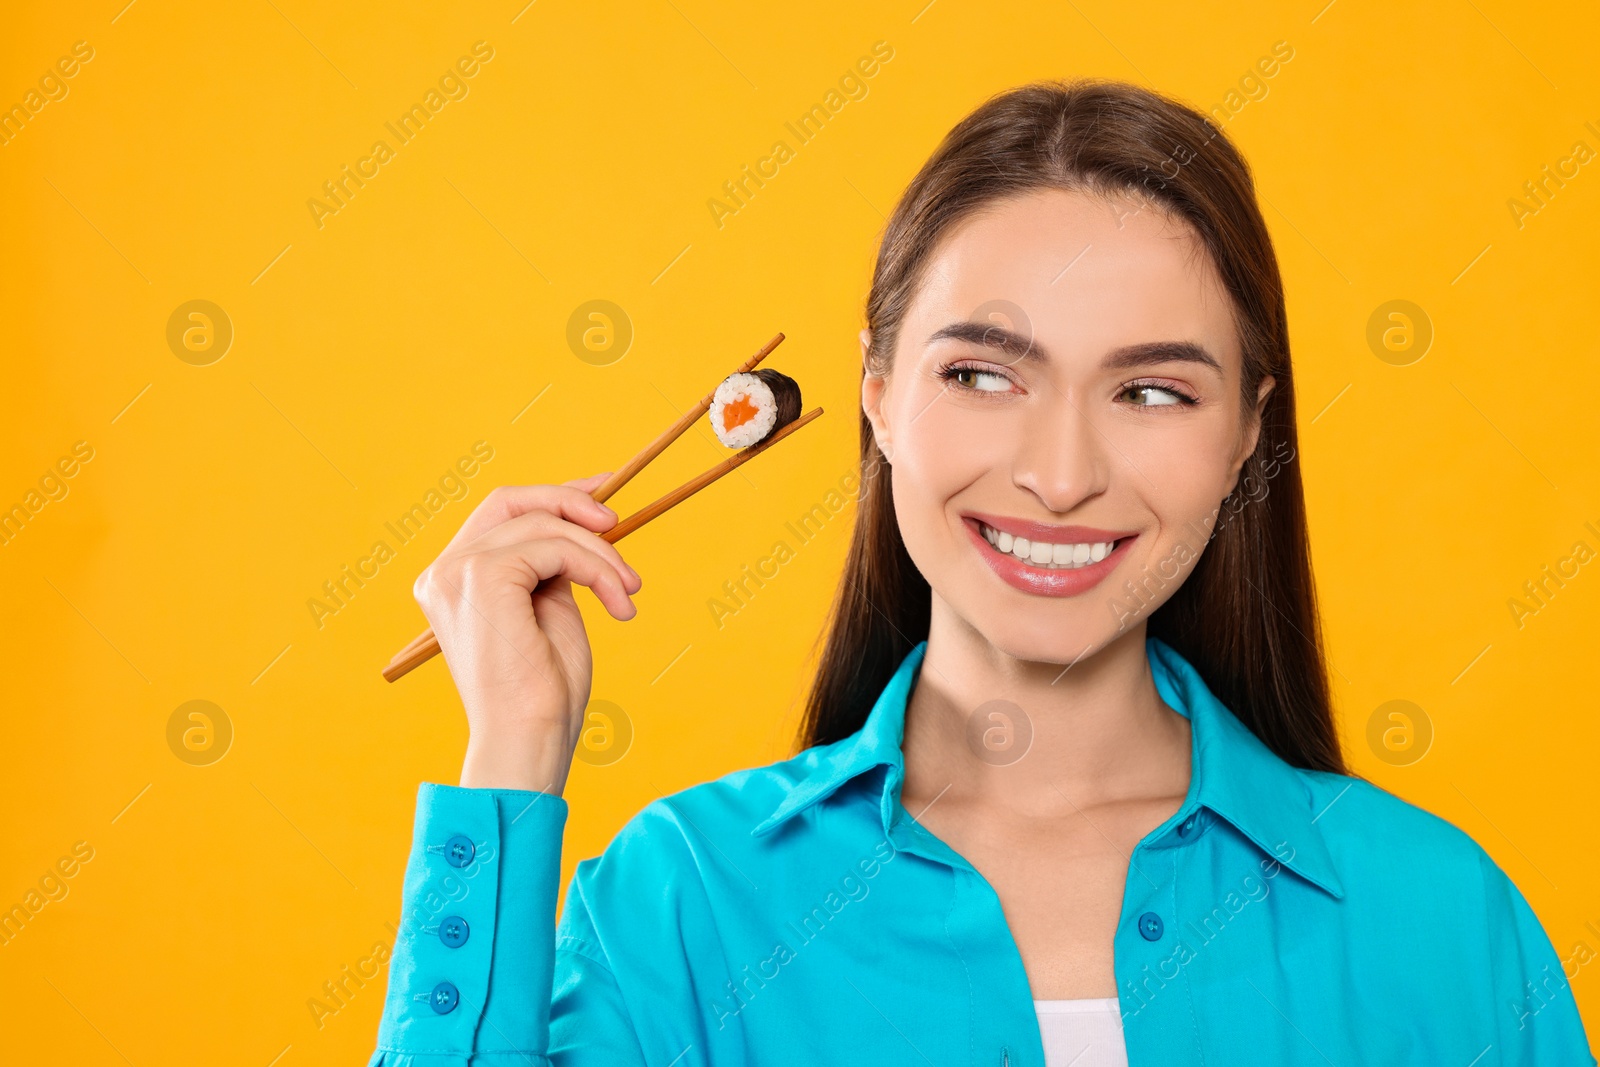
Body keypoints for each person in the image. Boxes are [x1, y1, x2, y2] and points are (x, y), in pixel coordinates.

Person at [366, 78, 1596, 1066]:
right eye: (984, 374)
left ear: (1243, 434)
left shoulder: (1440, 921)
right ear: (879, 393)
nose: (1059, 476)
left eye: (1151, 389)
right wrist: (512, 755)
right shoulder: (683, 902)